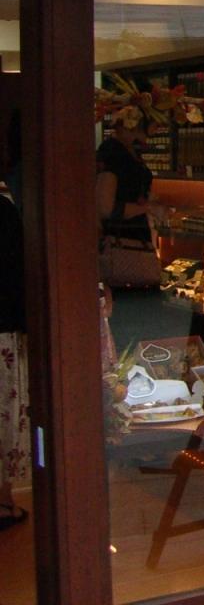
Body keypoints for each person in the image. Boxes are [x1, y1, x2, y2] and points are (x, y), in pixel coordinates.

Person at [96, 109, 169, 349]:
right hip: (124, 249)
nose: (154, 130)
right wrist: (147, 208)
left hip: (134, 247)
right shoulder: (113, 153)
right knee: (130, 329)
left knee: (140, 327)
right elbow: (106, 207)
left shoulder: (127, 151)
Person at [0, 111, 26, 530]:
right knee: (5, 410)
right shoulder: (4, 211)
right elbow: (16, 271)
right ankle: (3, 499)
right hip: (3, 326)